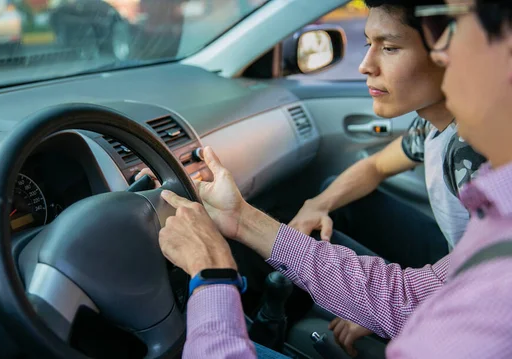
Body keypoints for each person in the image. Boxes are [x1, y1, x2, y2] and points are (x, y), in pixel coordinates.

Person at [158, 2, 512, 355]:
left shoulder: (472, 163)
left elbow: (425, 304)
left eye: (448, 28)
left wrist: (213, 276)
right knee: (332, 197)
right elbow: (411, 297)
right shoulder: (493, 220)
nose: (364, 65)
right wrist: (243, 219)